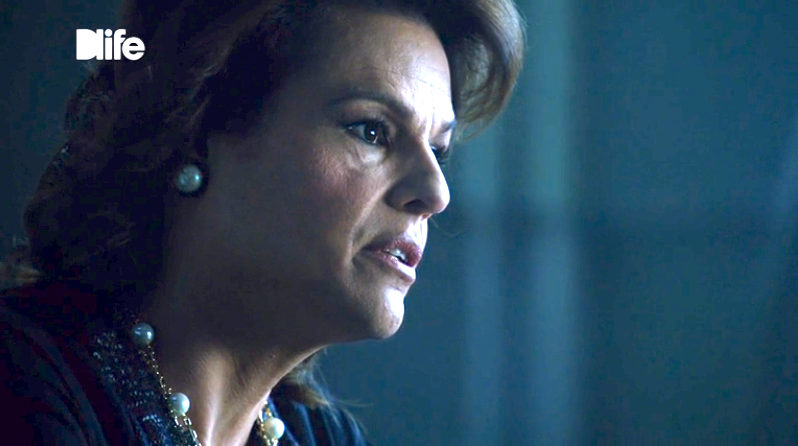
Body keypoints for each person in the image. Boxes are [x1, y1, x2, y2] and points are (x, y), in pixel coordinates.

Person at [0, 0, 524, 444]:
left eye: (438, 150)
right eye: (371, 130)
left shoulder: (326, 437)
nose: (435, 193)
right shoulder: (23, 380)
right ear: (198, 129)